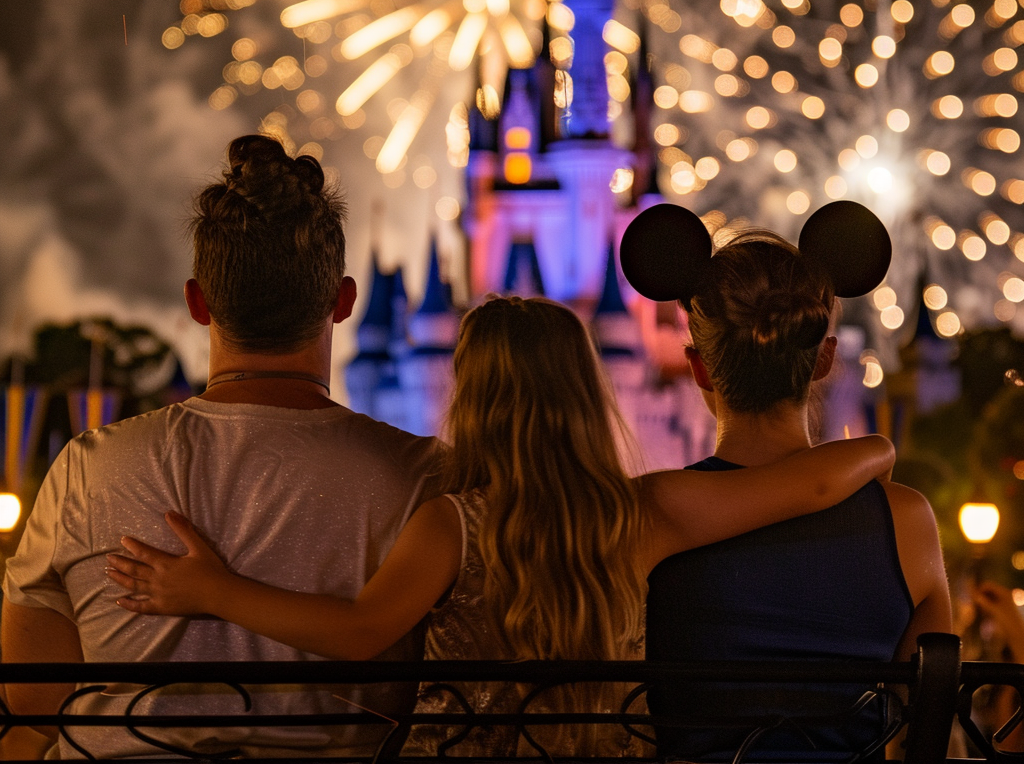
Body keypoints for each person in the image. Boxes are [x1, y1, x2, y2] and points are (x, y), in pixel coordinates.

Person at [105, 294, 894, 758]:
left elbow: (355, 630)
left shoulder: (453, 525)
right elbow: (823, 476)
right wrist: (883, 444)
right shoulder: (645, 513)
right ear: (586, 389)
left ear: (471, 395)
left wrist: (212, 588)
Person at [1, 135, 439, 759]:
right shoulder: (423, 475)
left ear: (198, 302)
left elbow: (34, 701)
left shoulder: (89, 468)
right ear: (342, 302)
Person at [619, 203, 951, 762]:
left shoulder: (650, 511)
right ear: (825, 359)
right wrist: (876, 450)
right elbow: (931, 711)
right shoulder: (907, 520)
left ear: (700, 367)